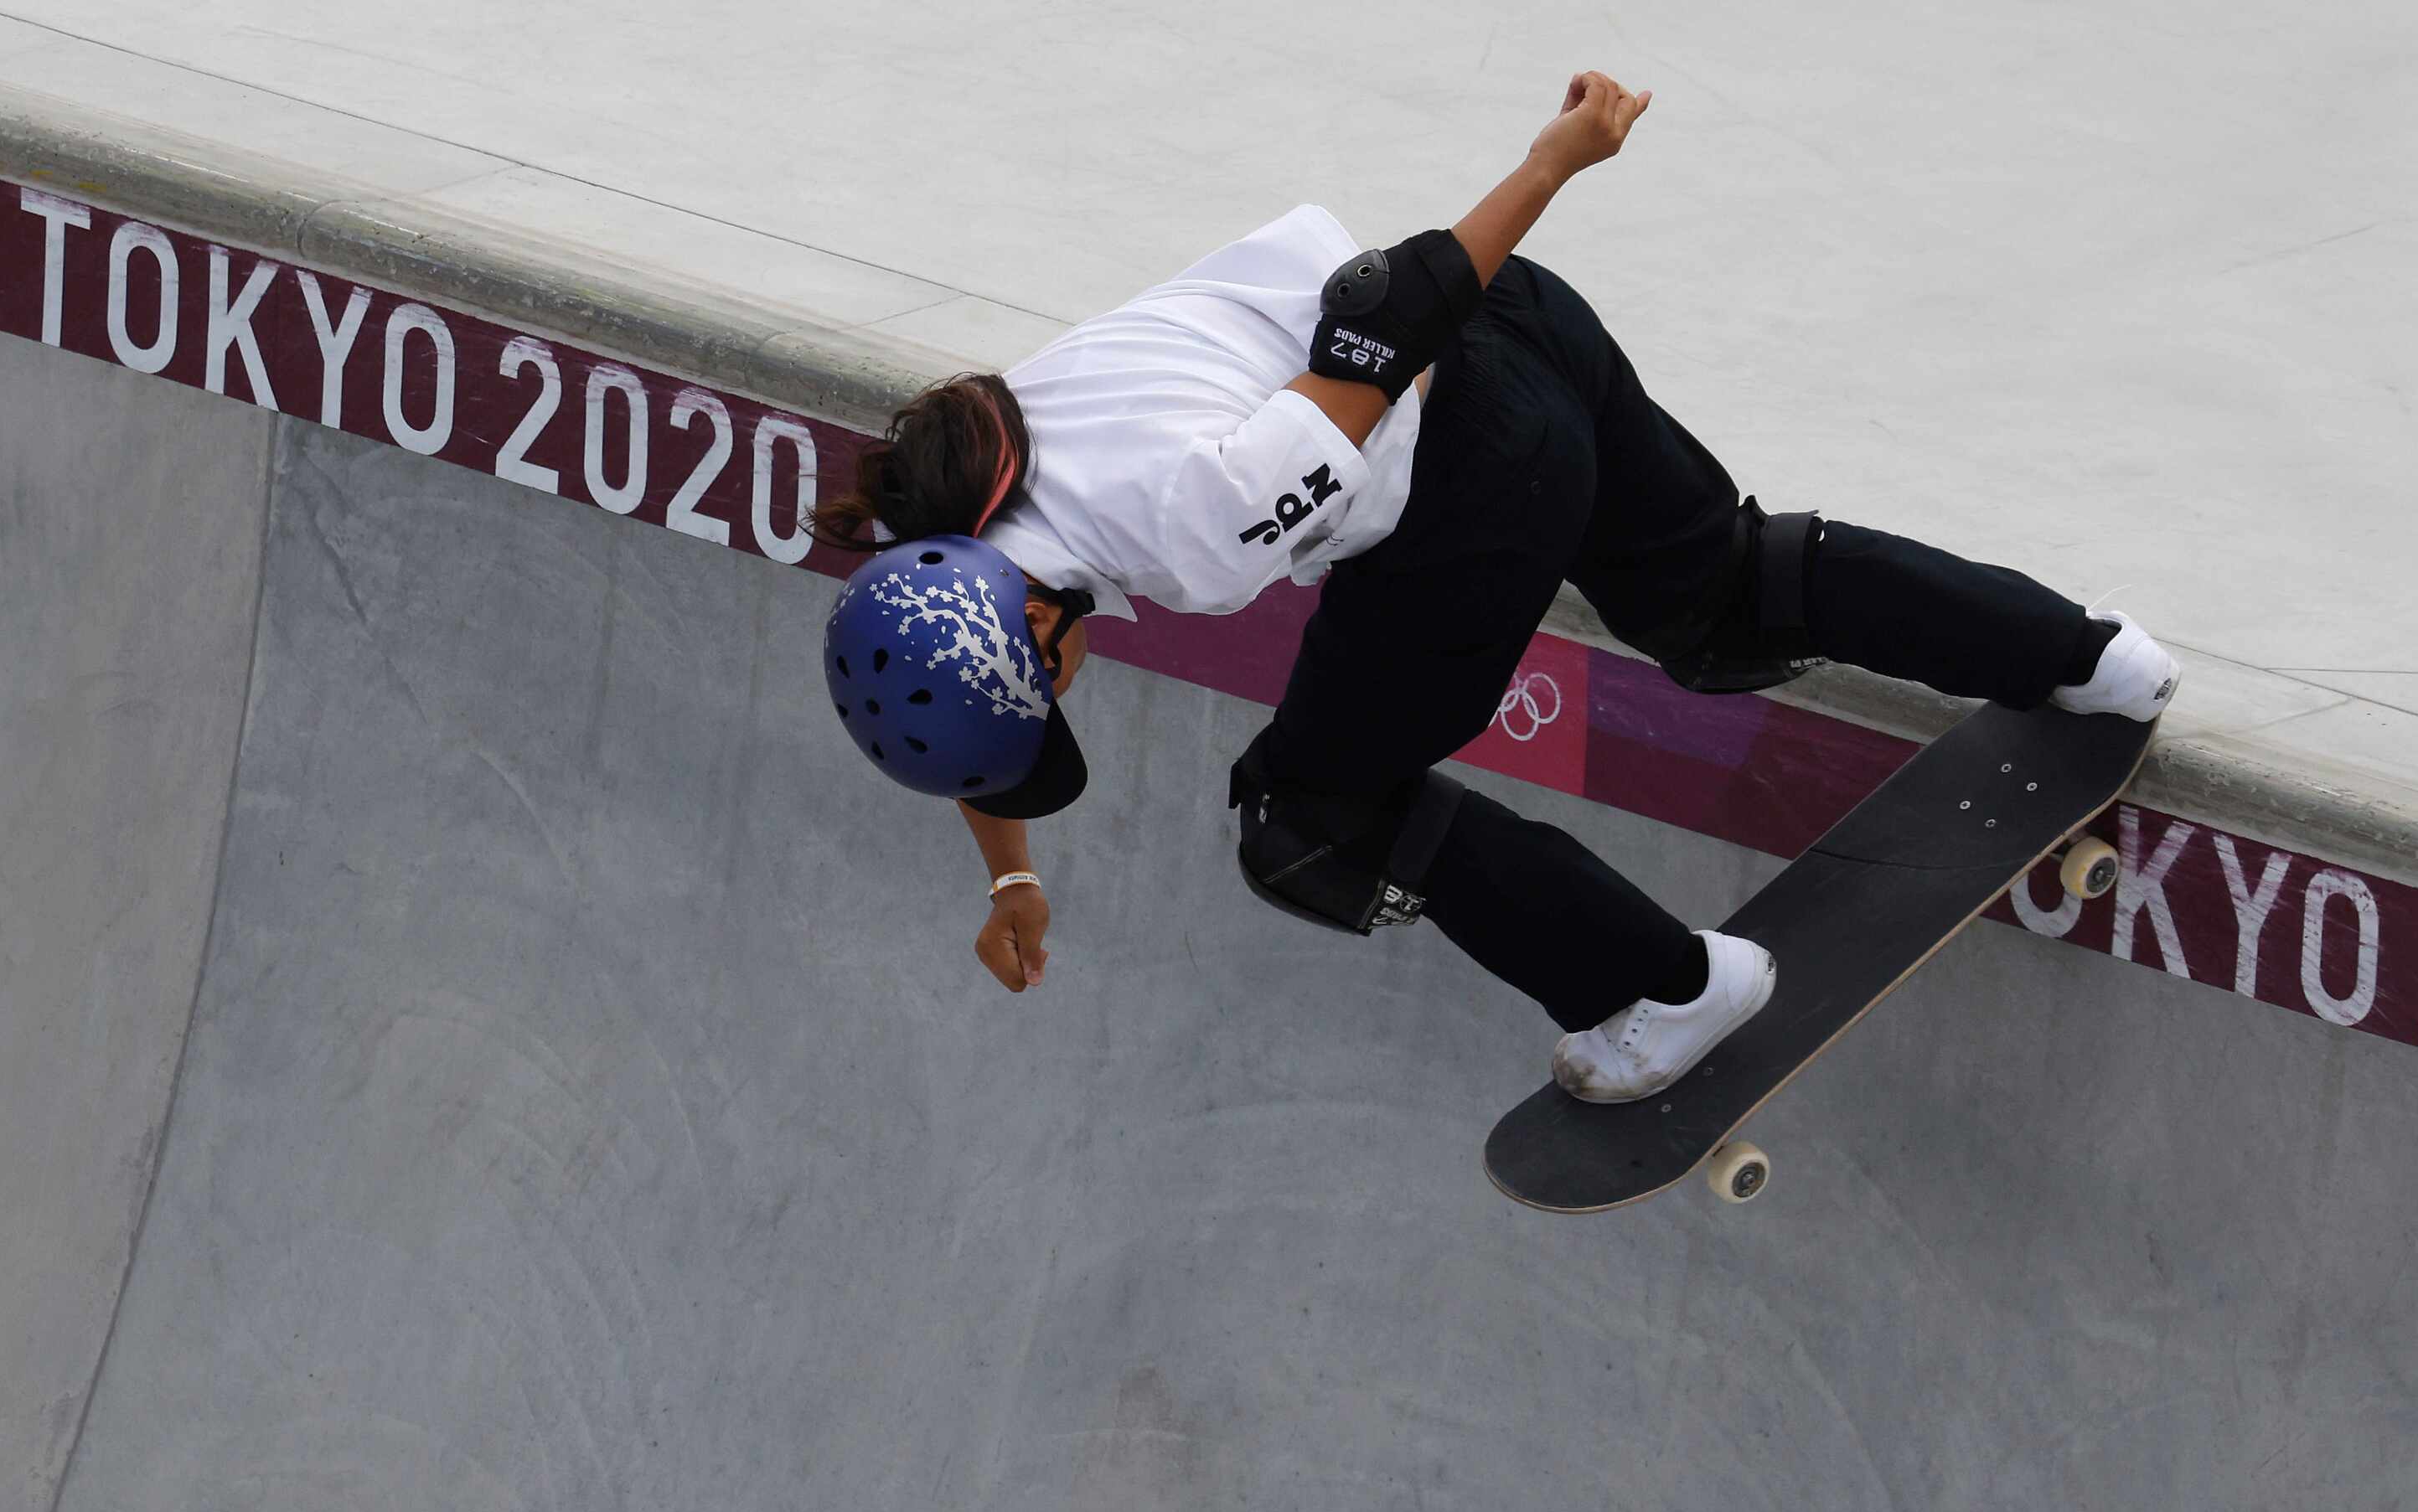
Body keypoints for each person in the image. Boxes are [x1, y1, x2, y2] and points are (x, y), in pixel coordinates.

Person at [814, 71, 2178, 1106]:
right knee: (1729, 593)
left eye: (1045, 691)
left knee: (1307, 820)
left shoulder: (1185, 527)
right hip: (1531, 317)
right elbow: (956, 692)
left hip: (1475, 458)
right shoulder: (966, 473)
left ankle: (1674, 992)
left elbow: (1382, 315)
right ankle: (2093, 656)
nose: (1062, 698)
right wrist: (1012, 883)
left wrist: (1553, 158)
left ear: (1034, 627)